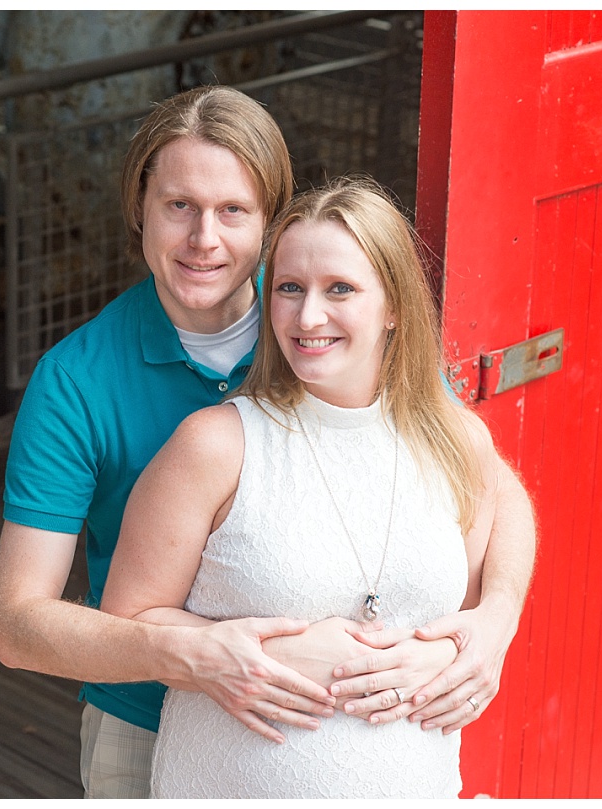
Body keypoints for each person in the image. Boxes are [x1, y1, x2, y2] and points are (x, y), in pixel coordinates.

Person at [0, 86, 536, 799]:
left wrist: (494, 618)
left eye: (233, 211)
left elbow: (491, 482)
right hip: (148, 719)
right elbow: (18, 622)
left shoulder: (331, 334)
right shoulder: (77, 381)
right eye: (179, 205)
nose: (203, 239)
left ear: (272, 224)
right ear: (140, 208)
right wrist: (198, 654)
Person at [100, 176, 514, 798]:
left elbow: (469, 616)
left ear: (395, 304)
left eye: (340, 289)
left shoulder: (457, 440)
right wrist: (264, 654)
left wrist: (470, 643)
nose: (308, 315)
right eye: (289, 288)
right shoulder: (215, 445)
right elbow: (126, 621)